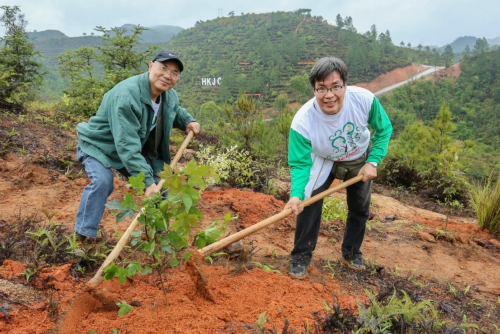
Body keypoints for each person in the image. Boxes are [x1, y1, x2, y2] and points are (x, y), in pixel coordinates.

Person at [284, 56, 392, 278]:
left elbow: (384, 129)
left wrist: (373, 161)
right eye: (321, 89)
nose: (329, 95)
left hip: (358, 155)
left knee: (360, 207)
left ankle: (351, 253)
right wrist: (296, 195)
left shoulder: (364, 100)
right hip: (322, 157)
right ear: (314, 90)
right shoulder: (303, 122)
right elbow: (300, 164)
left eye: (335, 87)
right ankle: (301, 257)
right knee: (308, 202)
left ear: (345, 85)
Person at [74, 50, 200, 240]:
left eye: (174, 73)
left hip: (127, 149)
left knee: (160, 183)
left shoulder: (168, 95)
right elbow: (126, 145)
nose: (168, 75)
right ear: (151, 66)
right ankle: (83, 235)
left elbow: (174, 110)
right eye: (163, 68)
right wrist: (147, 182)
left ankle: (155, 235)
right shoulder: (127, 95)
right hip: (100, 146)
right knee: (102, 182)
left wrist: (188, 121)